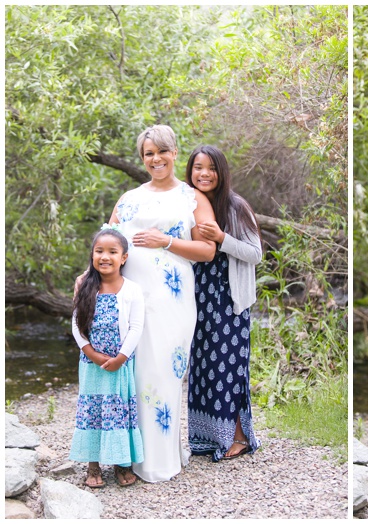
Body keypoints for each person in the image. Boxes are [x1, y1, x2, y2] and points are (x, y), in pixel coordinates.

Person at [108, 125, 217, 482]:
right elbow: (107, 243)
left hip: (172, 298)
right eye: (148, 154)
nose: (155, 159)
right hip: (131, 297)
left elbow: (207, 250)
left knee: (163, 373)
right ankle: (129, 455)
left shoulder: (192, 199)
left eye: (161, 152)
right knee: (134, 374)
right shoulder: (129, 198)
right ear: (143, 159)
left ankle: (160, 458)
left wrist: (165, 242)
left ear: (174, 153)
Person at [184, 145, 263, 461]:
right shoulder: (187, 203)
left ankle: (240, 438)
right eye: (198, 167)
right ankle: (207, 437)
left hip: (229, 298)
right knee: (202, 367)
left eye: (211, 168)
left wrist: (221, 238)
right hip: (199, 295)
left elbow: (255, 253)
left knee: (228, 367)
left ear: (222, 172)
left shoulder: (235, 206)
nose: (204, 174)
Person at [69, 227, 144, 488]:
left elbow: (136, 327)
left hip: (120, 364)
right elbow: (76, 324)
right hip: (92, 364)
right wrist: (91, 353)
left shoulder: (132, 290)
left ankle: (121, 463)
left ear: (123, 258)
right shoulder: (86, 286)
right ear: (92, 256)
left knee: (118, 413)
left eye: (112, 252)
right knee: (93, 412)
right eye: (99, 251)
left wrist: (122, 357)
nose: (105, 256)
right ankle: (93, 464)